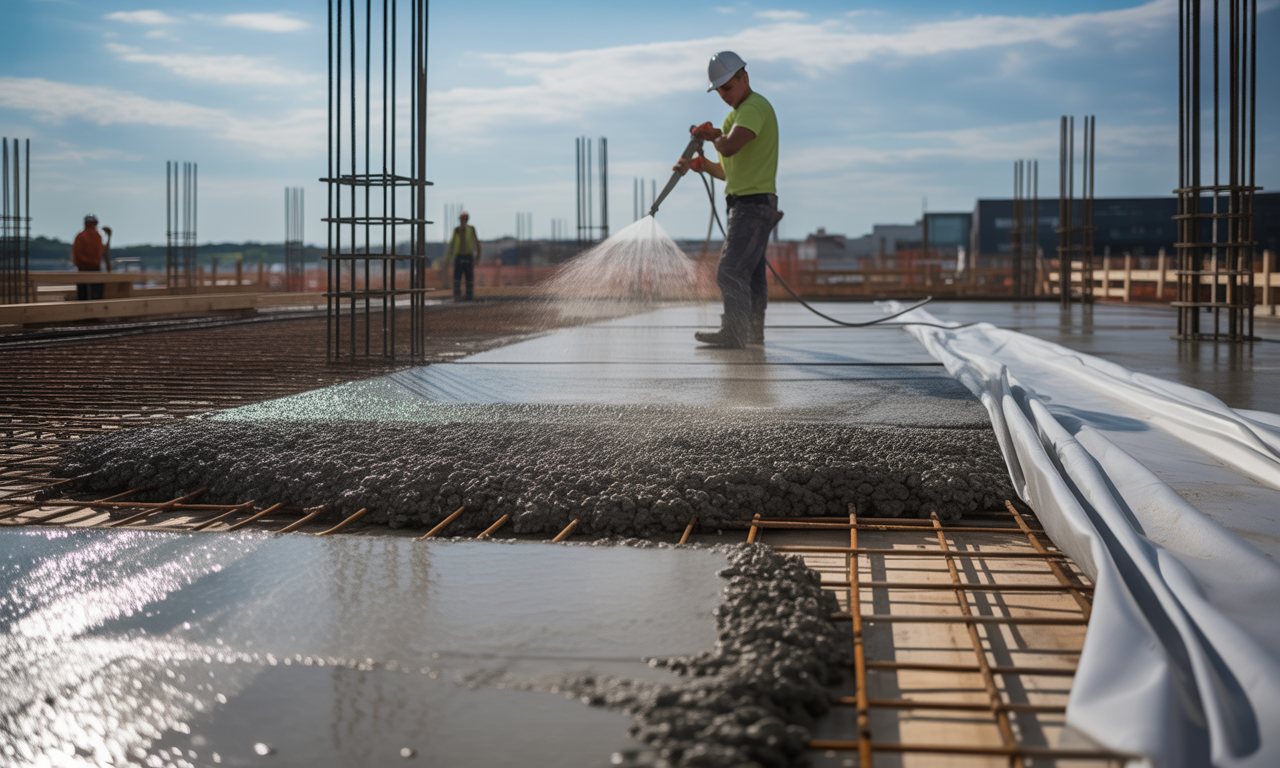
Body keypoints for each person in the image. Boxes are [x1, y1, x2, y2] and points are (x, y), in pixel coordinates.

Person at [675, 51, 779, 349]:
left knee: (730, 271)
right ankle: (751, 332)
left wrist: (711, 136)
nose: (724, 95)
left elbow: (730, 146)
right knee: (750, 274)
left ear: (744, 77)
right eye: (719, 90)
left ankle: (735, 333)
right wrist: (702, 165)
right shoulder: (734, 117)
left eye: (728, 88)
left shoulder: (753, 108)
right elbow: (728, 170)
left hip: (752, 205)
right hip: (747, 202)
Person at [72, 214, 112, 300]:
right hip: (95, 270)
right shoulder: (97, 236)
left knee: (83, 297)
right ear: (95, 223)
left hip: (83, 271)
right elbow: (104, 254)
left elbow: (77, 256)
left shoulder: (80, 236)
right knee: (97, 296)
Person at [446, 211, 481, 301]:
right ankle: (457, 296)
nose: (462, 221)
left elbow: (477, 242)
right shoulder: (456, 230)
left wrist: (478, 256)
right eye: (461, 219)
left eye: (464, 219)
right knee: (457, 278)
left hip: (468, 256)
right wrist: (448, 258)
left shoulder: (471, 229)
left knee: (469, 277)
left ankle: (469, 296)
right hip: (458, 256)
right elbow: (452, 243)